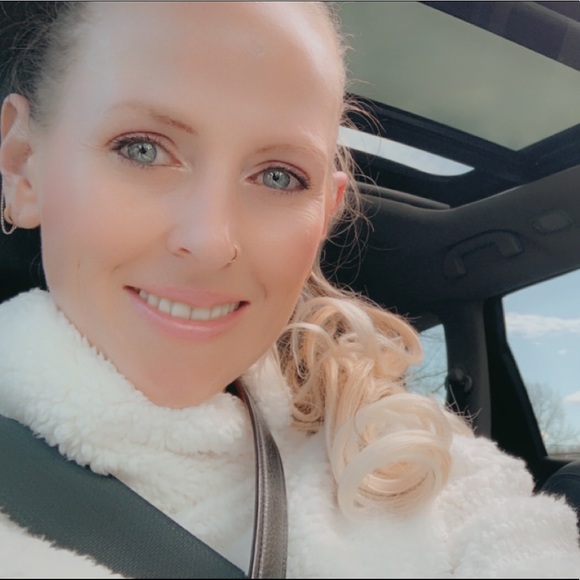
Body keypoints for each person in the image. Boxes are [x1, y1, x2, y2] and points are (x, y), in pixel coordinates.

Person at [0, 2, 578, 578]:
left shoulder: (405, 457)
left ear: (325, 213)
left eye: (279, 176)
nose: (211, 241)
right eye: (142, 148)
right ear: (23, 166)